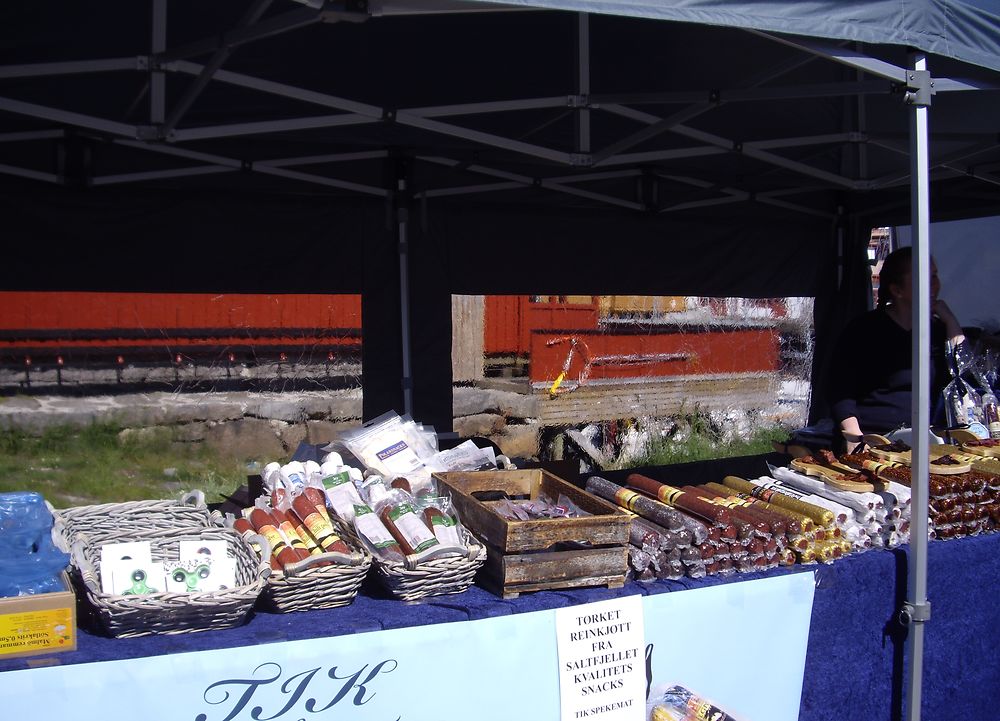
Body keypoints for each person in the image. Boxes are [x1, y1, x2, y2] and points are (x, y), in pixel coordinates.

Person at [827, 246, 965, 453]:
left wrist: (952, 323)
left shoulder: (939, 330)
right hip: (875, 438)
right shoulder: (864, 329)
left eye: (935, 276)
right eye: (924, 277)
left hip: (929, 439)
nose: (934, 285)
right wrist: (855, 437)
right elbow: (840, 389)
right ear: (897, 290)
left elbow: (964, 380)